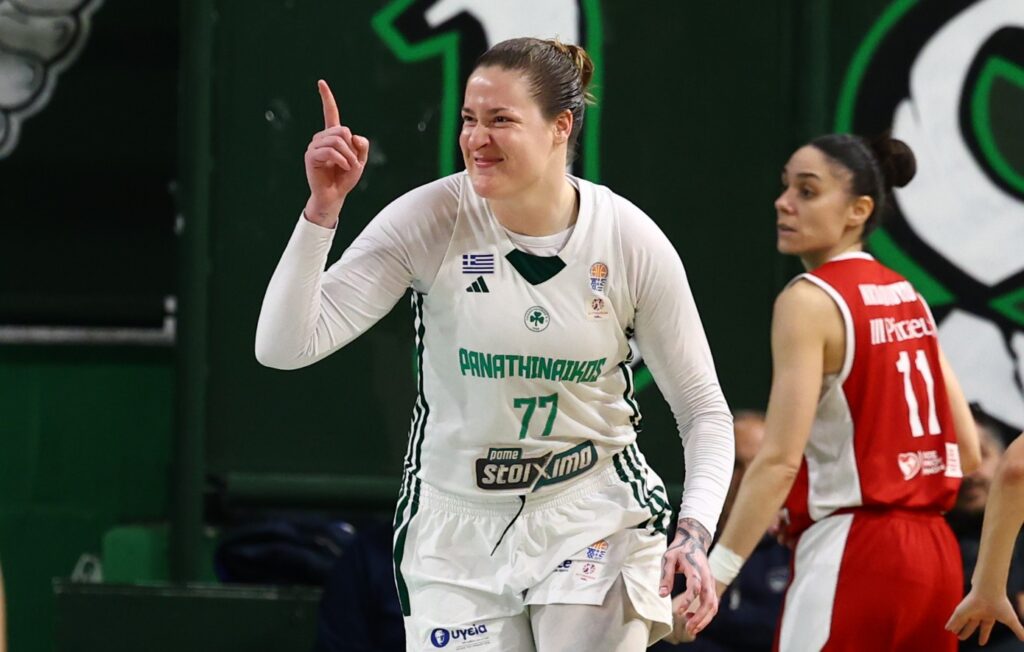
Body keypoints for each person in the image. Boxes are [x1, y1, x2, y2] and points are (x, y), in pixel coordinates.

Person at [255, 37, 734, 650]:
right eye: (468, 119)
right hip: (457, 525)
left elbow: (703, 410)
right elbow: (284, 347)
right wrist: (322, 210)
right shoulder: (430, 219)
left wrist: (694, 533)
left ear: (561, 127)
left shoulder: (628, 239)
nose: (477, 138)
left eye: (501, 120)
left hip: (590, 508)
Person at [702, 133, 982, 651]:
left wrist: (713, 578)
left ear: (859, 210)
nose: (783, 202)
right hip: (936, 559)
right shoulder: (910, 297)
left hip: (855, 551)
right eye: (786, 186)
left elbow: (777, 461)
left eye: (807, 191)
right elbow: (967, 452)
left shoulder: (809, 300)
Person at [656, 411, 790, 650]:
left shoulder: (792, 545)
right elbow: (659, 631)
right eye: (735, 465)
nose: (745, 479)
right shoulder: (675, 541)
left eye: (757, 467)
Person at [947, 413, 1024, 651]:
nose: (969, 473)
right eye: (955, 460)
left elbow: (1016, 470)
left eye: (981, 455)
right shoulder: (936, 541)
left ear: (1003, 454)